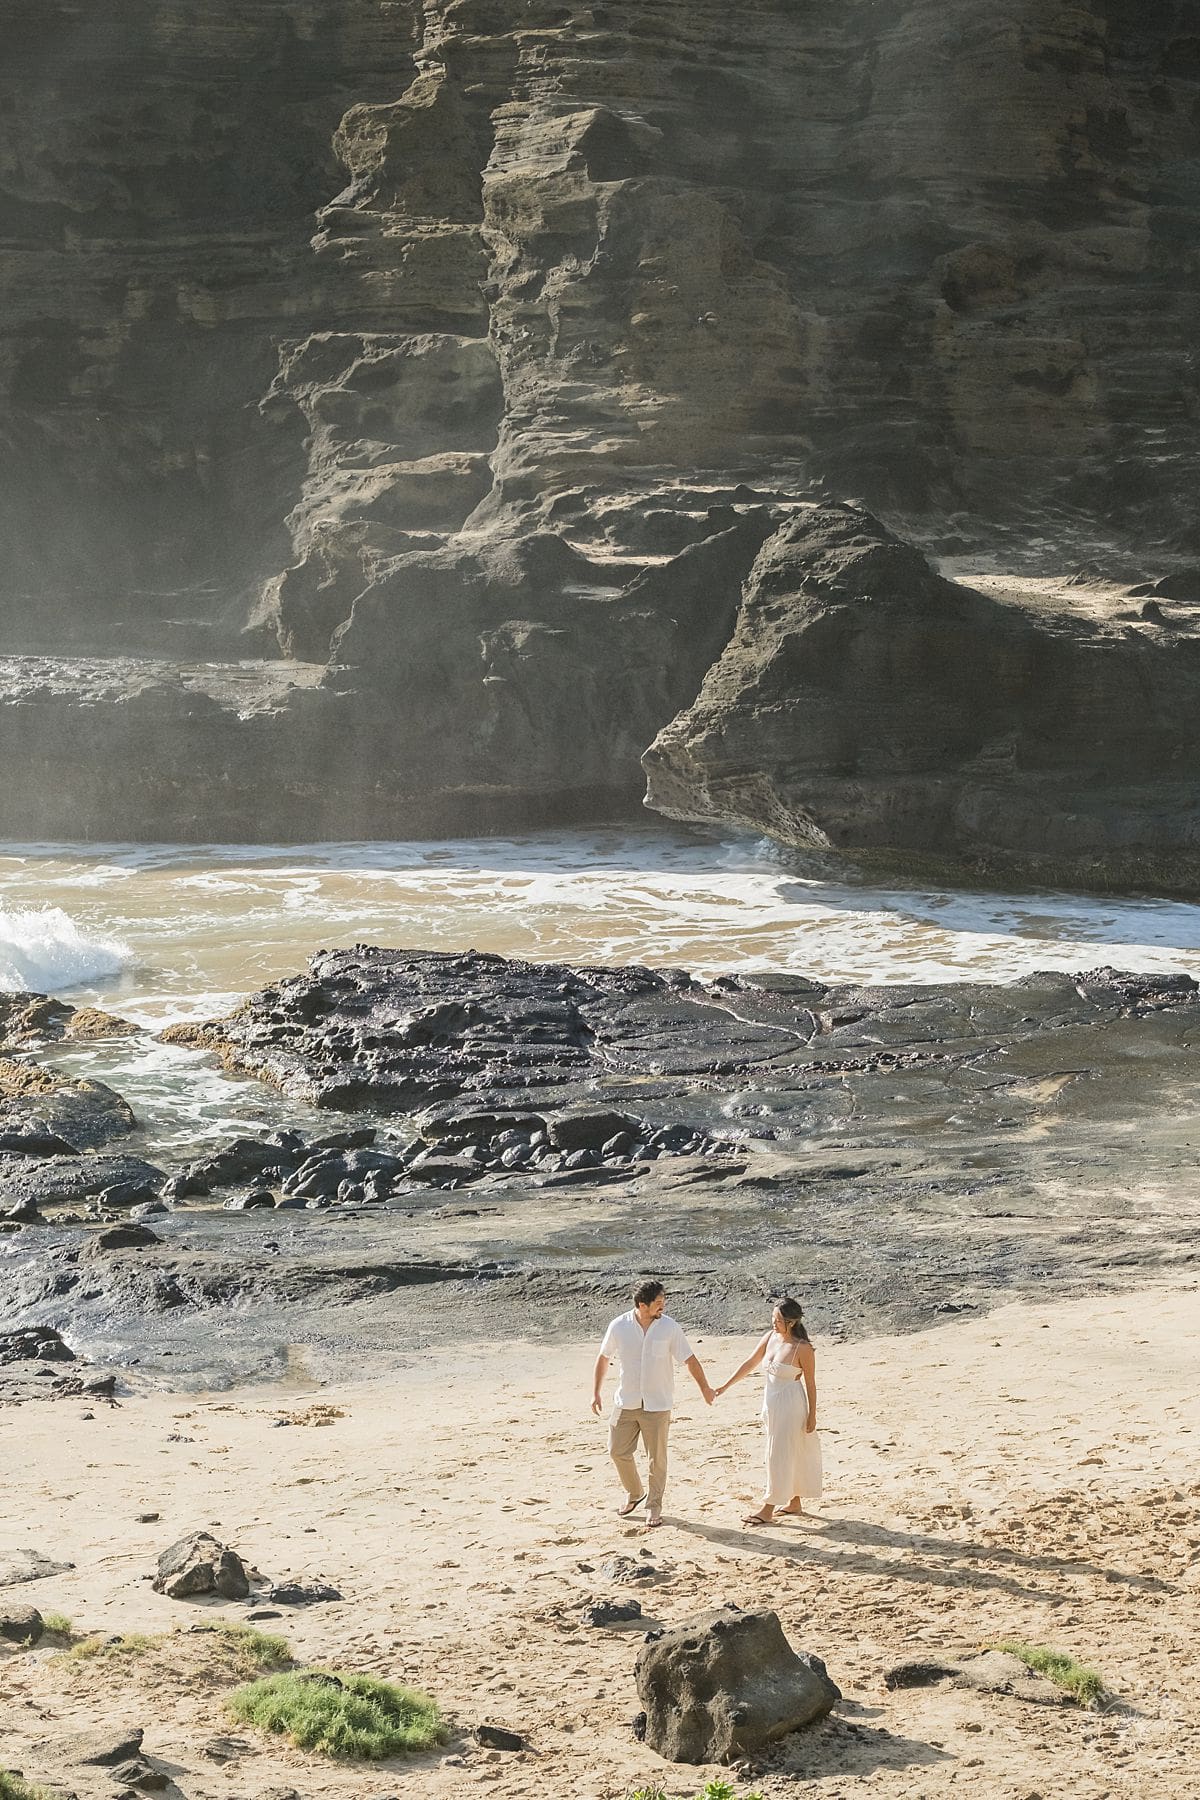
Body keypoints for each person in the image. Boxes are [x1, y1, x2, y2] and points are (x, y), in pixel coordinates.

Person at [592, 1278, 714, 1528]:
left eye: (663, 1301)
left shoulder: (669, 1328)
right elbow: (604, 1358)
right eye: (658, 1303)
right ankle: (635, 1492)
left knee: (656, 1460)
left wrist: (705, 1388)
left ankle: (654, 1507)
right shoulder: (619, 1326)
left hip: (658, 1405)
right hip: (626, 1401)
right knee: (617, 1451)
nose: (663, 1306)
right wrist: (596, 1392)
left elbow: (689, 1360)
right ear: (642, 1304)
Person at [715, 1296, 822, 1525]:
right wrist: (725, 1386)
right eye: (773, 1318)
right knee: (785, 1452)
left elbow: (811, 1384)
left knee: (777, 1454)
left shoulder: (802, 1349)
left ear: (791, 1322)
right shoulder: (770, 1337)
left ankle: (768, 1508)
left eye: (778, 1319)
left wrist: (812, 1415)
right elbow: (750, 1362)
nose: (773, 1323)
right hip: (771, 1402)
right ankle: (794, 1503)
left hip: (791, 1404)